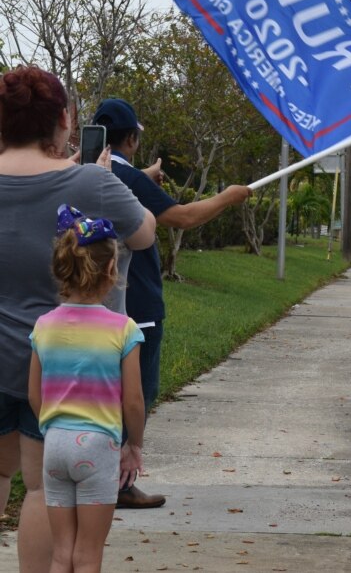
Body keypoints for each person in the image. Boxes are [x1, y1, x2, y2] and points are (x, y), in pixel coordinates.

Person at [0, 66, 156, 573]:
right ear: (64, 121)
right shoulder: (90, 180)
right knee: (41, 487)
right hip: (55, 371)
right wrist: (106, 183)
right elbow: (145, 234)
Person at [92, 98, 250, 509]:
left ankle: (93, 476)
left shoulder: (90, 172)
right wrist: (228, 198)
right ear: (131, 138)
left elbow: (125, 189)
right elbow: (182, 217)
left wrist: (145, 178)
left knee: (103, 394)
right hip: (137, 302)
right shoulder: (125, 176)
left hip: (94, 303)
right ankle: (121, 483)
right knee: (139, 391)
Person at [28, 206, 146, 573]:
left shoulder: (44, 326)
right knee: (88, 554)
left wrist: (53, 426)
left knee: (62, 553)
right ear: (111, 269)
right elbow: (133, 401)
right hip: (98, 448)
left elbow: (35, 394)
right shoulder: (123, 329)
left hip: (56, 445)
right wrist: (134, 445)